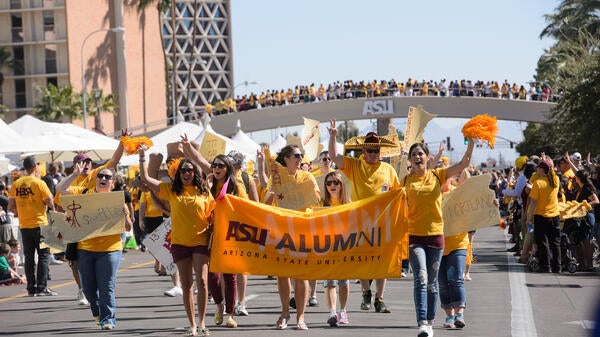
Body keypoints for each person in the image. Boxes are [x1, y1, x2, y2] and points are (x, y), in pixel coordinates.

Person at [139, 137, 215, 337]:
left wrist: (190, 151)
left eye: (190, 170)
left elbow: (208, 170)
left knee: (203, 282)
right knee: (187, 285)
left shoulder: (205, 191)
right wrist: (141, 157)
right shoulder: (171, 190)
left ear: (194, 173)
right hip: (180, 243)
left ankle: (203, 322)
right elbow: (147, 180)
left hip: (201, 241)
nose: (187, 173)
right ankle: (192, 325)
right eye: (183, 171)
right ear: (178, 174)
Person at [401, 139, 474, 337]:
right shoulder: (406, 181)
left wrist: (470, 145)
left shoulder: (438, 175)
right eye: (414, 154)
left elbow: (462, 165)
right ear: (410, 160)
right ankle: (422, 322)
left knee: (432, 283)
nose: (417, 157)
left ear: (427, 158)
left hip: (435, 237)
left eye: (420, 154)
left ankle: (430, 322)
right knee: (421, 278)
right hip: (415, 237)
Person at [328, 121, 398, 313]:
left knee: (381, 261)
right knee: (363, 260)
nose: (373, 154)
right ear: (363, 152)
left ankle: (379, 298)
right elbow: (334, 156)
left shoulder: (389, 170)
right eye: (370, 150)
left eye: (376, 150)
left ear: (380, 152)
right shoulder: (354, 165)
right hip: (360, 222)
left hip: (383, 223)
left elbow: (399, 194)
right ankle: (366, 293)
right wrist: (333, 136)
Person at [56, 165, 131, 329]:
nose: (103, 179)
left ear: (112, 182)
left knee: (107, 287)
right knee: (89, 289)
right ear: (96, 179)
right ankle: (97, 312)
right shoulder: (84, 194)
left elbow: (128, 228)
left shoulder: (116, 199)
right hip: (85, 249)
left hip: (111, 249)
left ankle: (108, 319)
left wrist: (126, 216)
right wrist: (75, 174)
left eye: (107, 177)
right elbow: (61, 189)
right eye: (100, 176)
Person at [258, 144, 320, 330]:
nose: (300, 158)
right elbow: (266, 203)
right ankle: (285, 312)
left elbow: (316, 198)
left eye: (301, 155)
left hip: (303, 229)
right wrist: (273, 193)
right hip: (282, 230)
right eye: (296, 155)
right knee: (283, 274)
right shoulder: (276, 178)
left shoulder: (307, 176)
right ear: (285, 158)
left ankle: (301, 317)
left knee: (301, 275)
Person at [8, 155, 56, 297]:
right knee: (43, 255)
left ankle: (31, 288)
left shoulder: (16, 184)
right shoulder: (39, 183)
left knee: (29, 257)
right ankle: (41, 287)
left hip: (24, 225)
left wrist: (22, 211)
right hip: (40, 223)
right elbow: (49, 202)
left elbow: (11, 206)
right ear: (35, 168)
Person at [206, 155, 245, 328]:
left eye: (221, 165)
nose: (217, 168)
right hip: (211, 235)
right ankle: (218, 306)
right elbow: (205, 209)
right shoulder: (208, 187)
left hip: (231, 236)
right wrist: (207, 190)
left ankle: (229, 314)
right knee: (212, 276)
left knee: (230, 276)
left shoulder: (235, 187)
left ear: (227, 168)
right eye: (214, 165)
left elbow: (245, 209)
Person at [226, 150, 258, 317]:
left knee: (241, 268)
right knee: (226, 266)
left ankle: (241, 302)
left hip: (243, 228)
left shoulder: (247, 179)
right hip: (224, 227)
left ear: (238, 164)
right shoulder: (221, 178)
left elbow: (256, 204)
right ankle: (228, 302)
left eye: (231, 162)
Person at [439, 168, 470, 330]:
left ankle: (459, 315)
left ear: (451, 178)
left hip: (458, 242)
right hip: (437, 245)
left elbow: (477, 205)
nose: (444, 180)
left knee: (456, 278)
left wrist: (491, 205)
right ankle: (449, 316)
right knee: (443, 283)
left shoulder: (458, 193)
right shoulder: (432, 196)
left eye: (446, 177)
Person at [320, 171, 351, 327]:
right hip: (326, 247)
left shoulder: (348, 204)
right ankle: (332, 312)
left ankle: (343, 311)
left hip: (344, 247)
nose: (332, 185)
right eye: (329, 183)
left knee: (343, 282)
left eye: (336, 182)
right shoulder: (321, 203)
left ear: (341, 185)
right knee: (329, 281)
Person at [526, 159, 561, 273]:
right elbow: (551, 171)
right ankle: (558, 266)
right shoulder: (556, 180)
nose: (536, 170)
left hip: (541, 216)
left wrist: (528, 216)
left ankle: (546, 266)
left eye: (538, 168)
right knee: (555, 242)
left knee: (543, 242)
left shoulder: (538, 183)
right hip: (555, 216)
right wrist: (546, 160)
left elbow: (534, 202)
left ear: (542, 170)